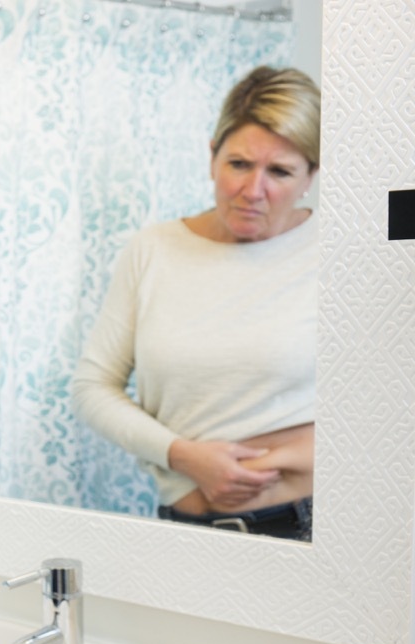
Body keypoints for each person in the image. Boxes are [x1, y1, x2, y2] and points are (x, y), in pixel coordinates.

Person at [72, 66, 321, 542]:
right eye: (239, 164)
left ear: (311, 174)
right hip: (183, 532)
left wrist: (289, 456)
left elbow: (390, 408)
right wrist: (183, 455)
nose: (253, 191)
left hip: (309, 530)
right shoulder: (154, 250)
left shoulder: (340, 254)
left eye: (281, 172)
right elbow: (91, 388)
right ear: (212, 157)